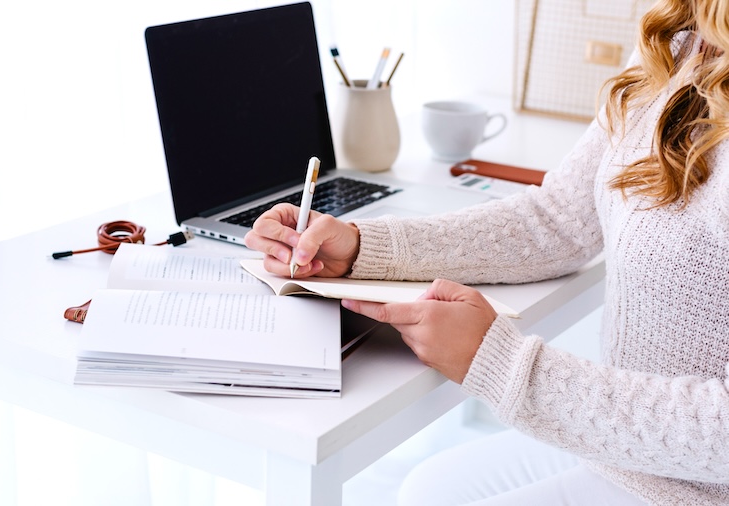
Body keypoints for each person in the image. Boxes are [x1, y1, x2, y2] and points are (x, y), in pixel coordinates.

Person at [244, 0, 729, 503]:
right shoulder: (676, 40)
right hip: (630, 457)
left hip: (699, 485)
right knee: (425, 489)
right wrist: (364, 248)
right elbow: (560, 217)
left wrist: (501, 362)